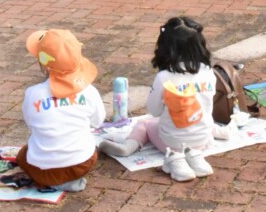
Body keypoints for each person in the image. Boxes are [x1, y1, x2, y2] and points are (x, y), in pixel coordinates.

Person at [98, 17, 226, 182]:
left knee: (145, 124)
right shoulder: (208, 72)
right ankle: (203, 149)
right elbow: (207, 104)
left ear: (165, 47)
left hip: (172, 142)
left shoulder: (164, 77)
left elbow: (154, 111)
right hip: (202, 138)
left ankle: (129, 146)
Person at [17, 29, 104, 193]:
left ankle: (56, 182)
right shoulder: (89, 91)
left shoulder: (33, 93)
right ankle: (69, 180)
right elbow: (98, 121)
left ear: (44, 63)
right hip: (82, 163)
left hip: (42, 170)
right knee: (89, 145)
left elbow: (31, 124)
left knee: (23, 155)